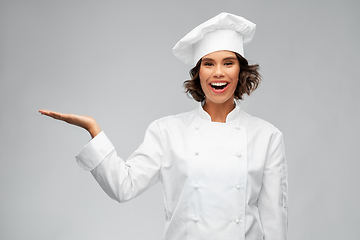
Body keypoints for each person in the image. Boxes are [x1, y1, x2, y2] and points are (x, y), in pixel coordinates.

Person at [39, 12, 288, 240]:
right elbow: (123, 187)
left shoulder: (267, 136)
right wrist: (93, 129)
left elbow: (274, 219)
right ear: (198, 73)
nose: (218, 73)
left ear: (241, 70)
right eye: (209, 63)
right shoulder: (167, 131)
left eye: (228, 62)